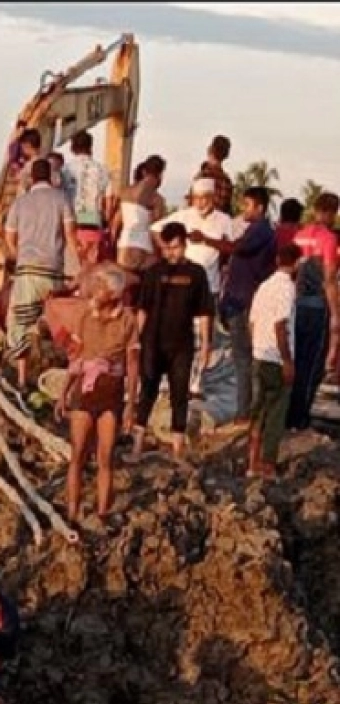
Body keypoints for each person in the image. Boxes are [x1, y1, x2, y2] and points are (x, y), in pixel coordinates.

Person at [59, 266, 139, 522]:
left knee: (105, 456)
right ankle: (73, 510)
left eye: (102, 286)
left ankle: (102, 512)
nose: (97, 289)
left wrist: (130, 403)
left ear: (113, 292)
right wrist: (64, 392)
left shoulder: (127, 319)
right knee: (78, 454)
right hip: (84, 390)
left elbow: (132, 364)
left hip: (111, 392)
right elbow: (76, 357)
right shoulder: (85, 316)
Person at [131, 223, 215, 461]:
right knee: (148, 391)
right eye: (166, 248)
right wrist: (136, 340)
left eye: (175, 248)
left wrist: (207, 344)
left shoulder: (196, 274)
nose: (171, 253)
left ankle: (178, 450)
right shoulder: (154, 272)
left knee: (180, 394)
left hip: (182, 344)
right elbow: (142, 309)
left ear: (184, 244)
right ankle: (137, 445)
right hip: (152, 341)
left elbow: (205, 312)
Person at [152, 177, 236, 398]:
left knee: (203, 338)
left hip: (208, 288)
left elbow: (231, 246)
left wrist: (207, 240)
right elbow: (155, 230)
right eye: (196, 198)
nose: (200, 203)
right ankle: (167, 381)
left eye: (204, 198)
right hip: (180, 286)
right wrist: (168, 253)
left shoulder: (224, 220)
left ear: (213, 198)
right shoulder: (183, 216)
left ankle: (195, 383)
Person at [3, 158, 79, 388]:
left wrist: (19, 255)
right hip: (53, 272)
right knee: (56, 323)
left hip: (27, 271)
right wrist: (80, 268)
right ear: (52, 177)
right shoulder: (62, 200)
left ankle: (22, 378)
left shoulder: (21, 203)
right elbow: (70, 237)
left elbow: (9, 237)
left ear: (32, 178)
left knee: (20, 323)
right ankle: (68, 375)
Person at [208, 187, 277, 423]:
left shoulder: (261, 231)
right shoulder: (254, 230)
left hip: (244, 302)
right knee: (243, 359)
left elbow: (237, 249)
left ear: (259, 208)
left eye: (247, 205)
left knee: (244, 359)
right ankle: (247, 410)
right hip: (238, 299)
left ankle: (245, 412)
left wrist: (206, 239)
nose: (243, 209)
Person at [247, 244, 299, 479]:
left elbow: (252, 323)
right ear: (296, 264)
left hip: (259, 355)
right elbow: (281, 326)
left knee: (258, 411)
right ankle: (268, 464)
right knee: (277, 412)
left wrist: (256, 347)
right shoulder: (287, 289)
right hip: (276, 359)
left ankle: (251, 462)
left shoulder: (263, 287)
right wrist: (287, 361)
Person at [290, 193, 339, 430]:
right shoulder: (328, 239)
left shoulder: (299, 236)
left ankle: (290, 413)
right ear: (331, 212)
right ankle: (300, 417)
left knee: (297, 360)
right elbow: (329, 279)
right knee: (313, 366)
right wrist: (336, 315)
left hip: (298, 305)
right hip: (318, 306)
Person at [61, 131, 115, 268]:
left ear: (72, 148)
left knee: (72, 272)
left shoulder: (65, 170)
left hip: (71, 225)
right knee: (90, 271)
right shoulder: (103, 170)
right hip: (93, 224)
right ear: (90, 147)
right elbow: (109, 203)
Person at [114, 156, 168, 276]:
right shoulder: (156, 199)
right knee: (145, 288)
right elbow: (157, 228)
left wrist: (113, 243)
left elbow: (116, 223)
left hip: (125, 244)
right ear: (160, 175)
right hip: (145, 246)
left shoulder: (125, 192)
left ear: (144, 171)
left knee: (125, 286)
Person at [202, 135, 235, 216]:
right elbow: (227, 210)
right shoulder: (227, 181)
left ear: (210, 150)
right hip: (219, 224)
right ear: (226, 155)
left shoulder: (203, 175)